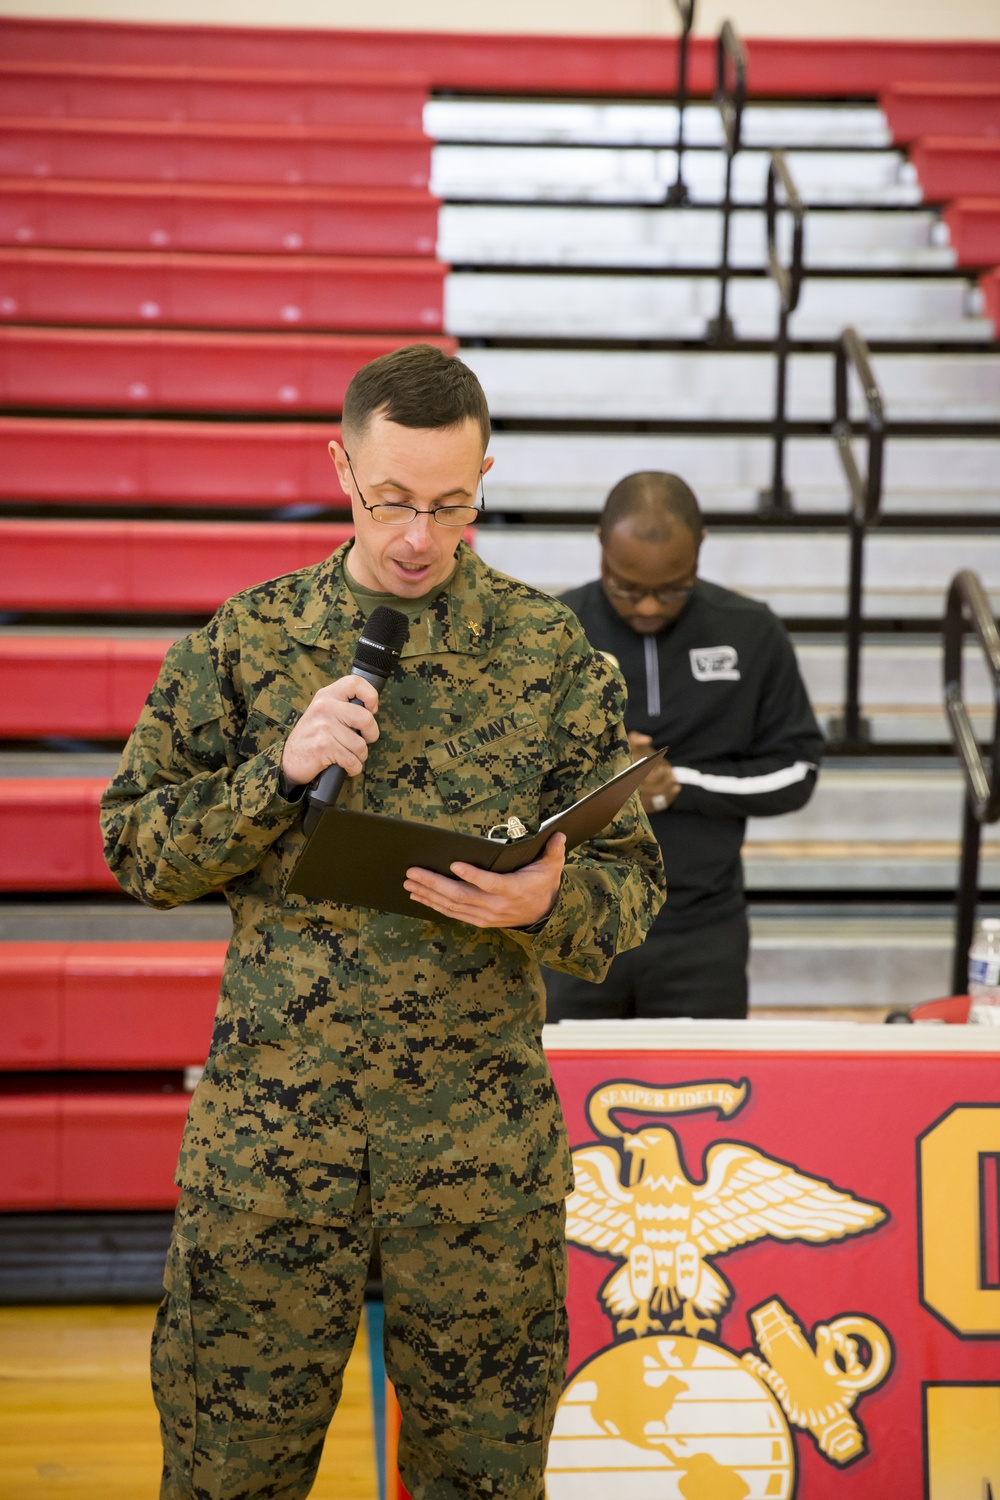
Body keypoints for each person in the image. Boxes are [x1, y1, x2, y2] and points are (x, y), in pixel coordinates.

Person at [100, 344, 665, 1500]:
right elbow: (137, 848)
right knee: (228, 1470)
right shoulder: (251, 639)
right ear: (340, 469)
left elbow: (631, 883)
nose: (418, 536)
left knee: (485, 1475)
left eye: (452, 505)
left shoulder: (547, 652)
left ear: (484, 478)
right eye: (392, 499)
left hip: (475, 1154)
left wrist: (548, 898)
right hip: (272, 1147)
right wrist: (277, 770)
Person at [545, 471, 824, 1023]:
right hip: (573, 917)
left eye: (672, 588)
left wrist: (679, 785)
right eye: (626, 587)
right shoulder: (552, 631)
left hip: (700, 928)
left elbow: (798, 769)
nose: (647, 607)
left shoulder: (751, 631)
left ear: (700, 550)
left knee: (705, 1098)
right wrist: (599, 777)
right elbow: (504, 775)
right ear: (601, 544)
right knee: (560, 1099)